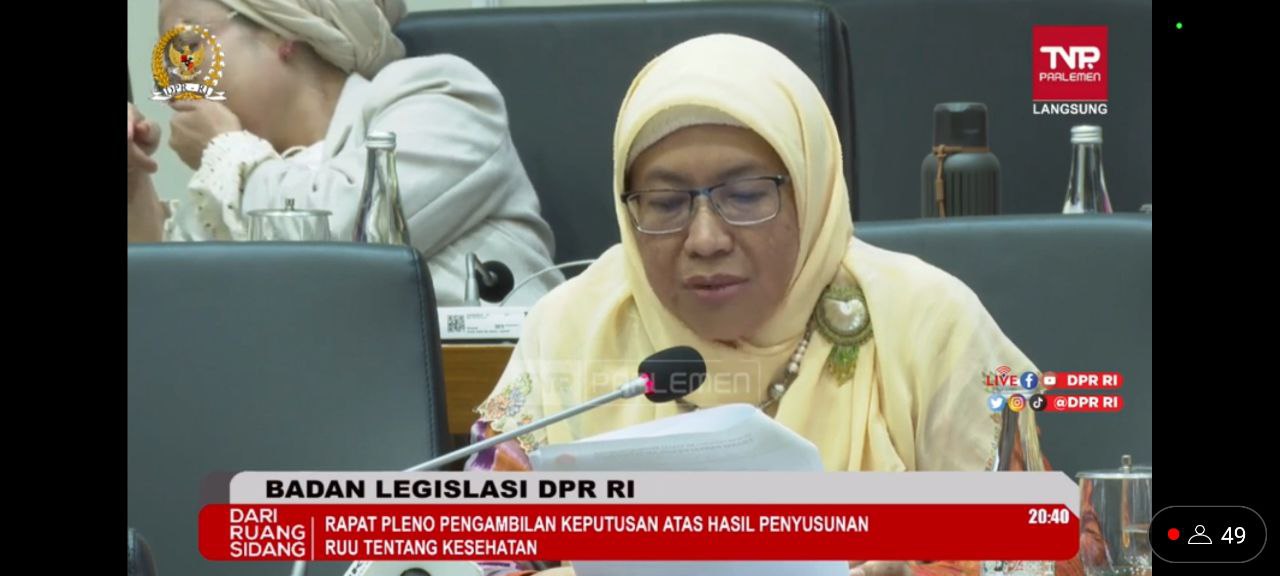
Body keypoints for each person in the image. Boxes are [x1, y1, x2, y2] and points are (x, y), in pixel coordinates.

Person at [465, 34, 1092, 576]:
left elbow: (1051, 547)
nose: (705, 239)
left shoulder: (929, 322)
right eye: (666, 203)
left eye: (744, 196)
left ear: (811, 193)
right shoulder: (569, 330)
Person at [127, 0, 562, 305]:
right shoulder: (236, 176)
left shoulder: (441, 96)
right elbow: (162, 301)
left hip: (488, 399)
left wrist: (224, 149)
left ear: (282, 29)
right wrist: (133, 177)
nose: (174, 85)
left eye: (185, 46)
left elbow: (342, 251)